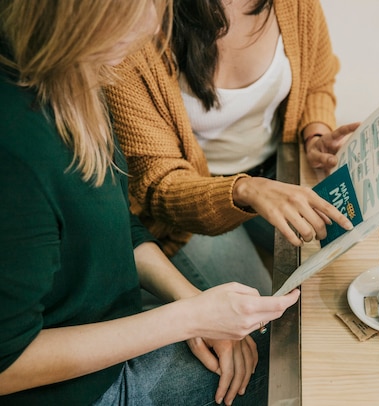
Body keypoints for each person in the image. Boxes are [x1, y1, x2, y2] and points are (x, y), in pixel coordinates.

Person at [0, 1, 299, 405]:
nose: (149, 27)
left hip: (113, 321)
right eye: (130, 10)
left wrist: (190, 299)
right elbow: (8, 364)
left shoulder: (77, 77)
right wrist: (186, 318)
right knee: (285, 361)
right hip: (78, 389)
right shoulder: (17, 151)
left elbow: (117, 223)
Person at [105, 0, 357, 297]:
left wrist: (317, 133)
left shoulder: (295, 6)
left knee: (345, 272)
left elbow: (317, 80)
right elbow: (158, 185)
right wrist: (245, 190)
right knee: (263, 316)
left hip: (279, 171)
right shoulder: (139, 25)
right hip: (190, 210)